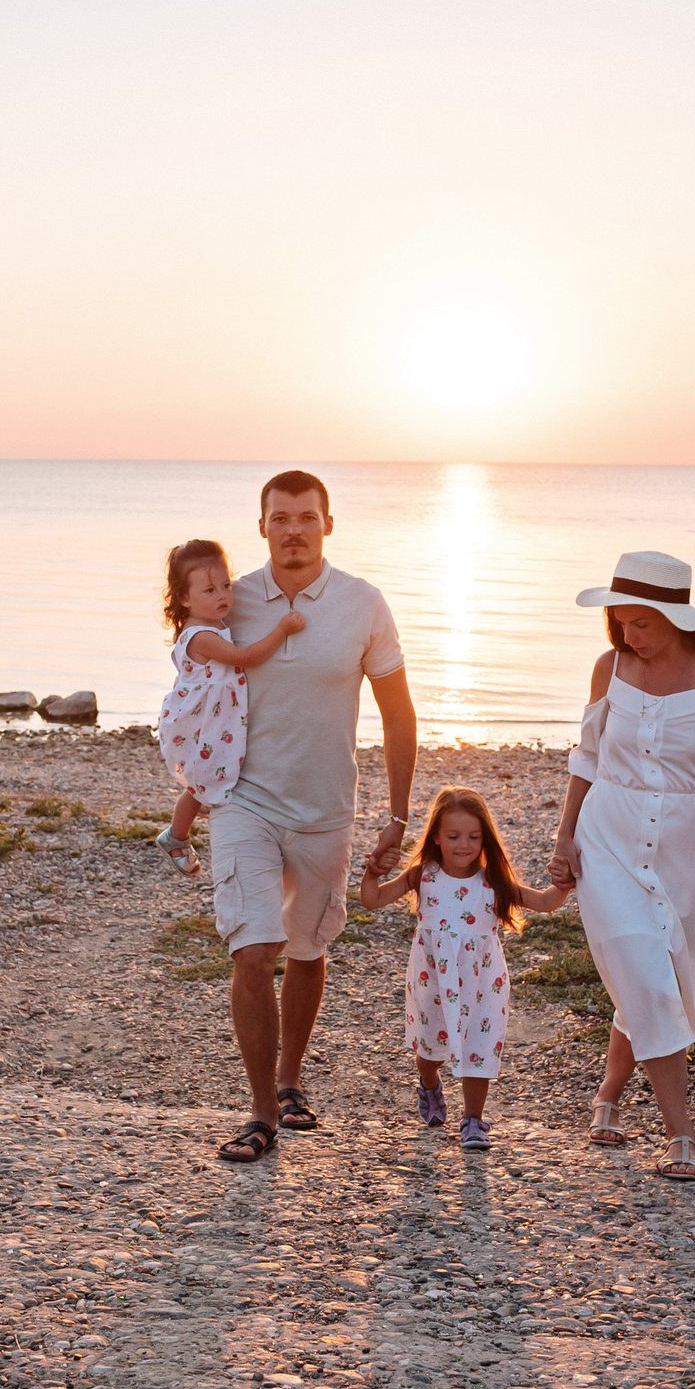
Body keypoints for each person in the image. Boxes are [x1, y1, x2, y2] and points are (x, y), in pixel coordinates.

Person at [548, 551, 695, 1181]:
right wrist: (564, 836)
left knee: (663, 980)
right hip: (608, 839)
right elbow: (587, 758)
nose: (629, 635)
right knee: (644, 975)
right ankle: (682, 1135)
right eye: (620, 622)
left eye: (641, 623)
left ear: (676, 617)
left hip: (685, 850)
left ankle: (608, 1096)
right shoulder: (610, 668)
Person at [214, 470, 418, 1164]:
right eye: (281, 518)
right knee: (253, 948)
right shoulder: (232, 601)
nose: (293, 530)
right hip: (244, 800)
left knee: (307, 947)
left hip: (327, 808)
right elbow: (192, 683)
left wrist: (397, 816)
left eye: (306, 517)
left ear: (328, 524)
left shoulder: (363, 603)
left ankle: (290, 1079)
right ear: (262, 527)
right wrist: (192, 786)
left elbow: (398, 713)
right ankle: (260, 1113)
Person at [357, 785, 569, 1149]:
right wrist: (372, 872)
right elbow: (372, 900)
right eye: (454, 836)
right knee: (430, 1050)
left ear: (485, 838)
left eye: (473, 836)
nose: (464, 845)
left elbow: (545, 902)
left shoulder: (493, 881)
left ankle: (473, 1119)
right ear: (436, 837)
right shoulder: (422, 875)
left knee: (478, 1048)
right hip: (432, 980)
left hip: (482, 981)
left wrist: (563, 882)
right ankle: (428, 1084)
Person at [151, 538, 305, 875]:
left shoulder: (214, 623)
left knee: (206, 778)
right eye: (209, 590)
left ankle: (186, 824)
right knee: (201, 781)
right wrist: (283, 629)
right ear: (185, 598)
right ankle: (176, 836)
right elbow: (246, 657)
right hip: (198, 722)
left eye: (226, 585)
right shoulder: (202, 636)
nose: (222, 595)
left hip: (211, 717)